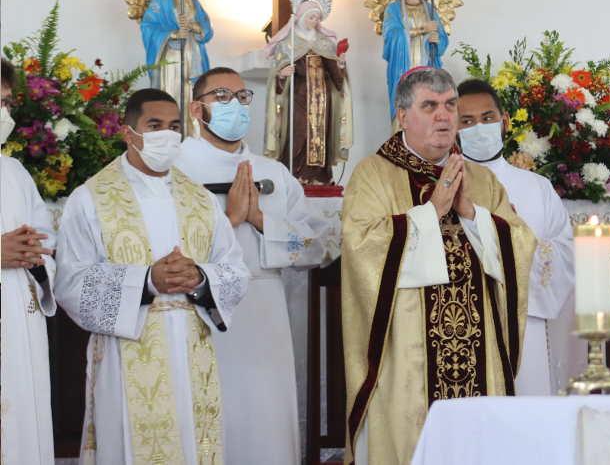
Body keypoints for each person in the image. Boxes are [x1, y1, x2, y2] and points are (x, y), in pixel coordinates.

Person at [341, 67, 536, 465]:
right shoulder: (373, 174)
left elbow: (521, 243)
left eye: (450, 105)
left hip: (479, 354)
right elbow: (362, 248)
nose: (444, 116)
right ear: (403, 116)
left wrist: (472, 216)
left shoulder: (481, 179)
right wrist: (431, 212)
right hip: (406, 362)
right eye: (429, 106)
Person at [55, 88, 250, 464]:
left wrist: (200, 278)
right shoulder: (91, 198)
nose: (166, 135)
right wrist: (146, 281)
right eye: (155, 125)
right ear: (128, 133)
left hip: (192, 347)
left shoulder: (201, 199)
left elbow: (235, 271)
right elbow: (70, 283)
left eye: (174, 126)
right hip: (125, 351)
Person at [175, 66, 330, 465]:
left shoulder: (273, 172)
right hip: (197, 309)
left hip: (264, 314)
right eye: (222, 96)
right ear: (196, 109)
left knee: (266, 420)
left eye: (242, 97)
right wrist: (229, 220)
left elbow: (316, 245)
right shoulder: (174, 170)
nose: (236, 105)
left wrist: (261, 220)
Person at [456, 79, 582, 395]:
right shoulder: (445, 186)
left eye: (487, 118)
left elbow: (566, 252)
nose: (479, 128)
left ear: (504, 121)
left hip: (526, 323)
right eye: (467, 122)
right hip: (463, 324)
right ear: (453, 129)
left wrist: (510, 245)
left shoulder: (537, 188)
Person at [1, 57, 58, 465]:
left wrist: (36, 256)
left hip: (18, 326)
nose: (4, 113)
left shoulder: (15, 171)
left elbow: (44, 238)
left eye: (6, 102)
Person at [264, 0, 354, 185]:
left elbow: (335, 75)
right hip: (299, 97)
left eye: (317, 18)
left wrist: (340, 65)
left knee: (321, 136)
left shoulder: (324, 42)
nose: (314, 21)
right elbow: (277, 74)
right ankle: (294, 174)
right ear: (300, 16)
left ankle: (319, 176)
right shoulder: (289, 42)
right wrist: (281, 74)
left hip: (323, 100)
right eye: (311, 17)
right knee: (299, 133)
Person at [141, 0, 213, 139]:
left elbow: (207, 30)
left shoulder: (194, 1)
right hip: (172, 59)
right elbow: (148, 26)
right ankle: (171, 139)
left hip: (194, 59)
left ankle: (193, 140)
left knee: (193, 99)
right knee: (173, 96)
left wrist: (193, 27)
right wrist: (173, 34)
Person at [383, 0, 449, 123]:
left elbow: (442, 40)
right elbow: (390, 36)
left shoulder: (430, 9)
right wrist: (422, 30)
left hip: (426, 68)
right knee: (405, 110)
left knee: (428, 107)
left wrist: (436, 40)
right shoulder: (393, 9)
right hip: (403, 68)